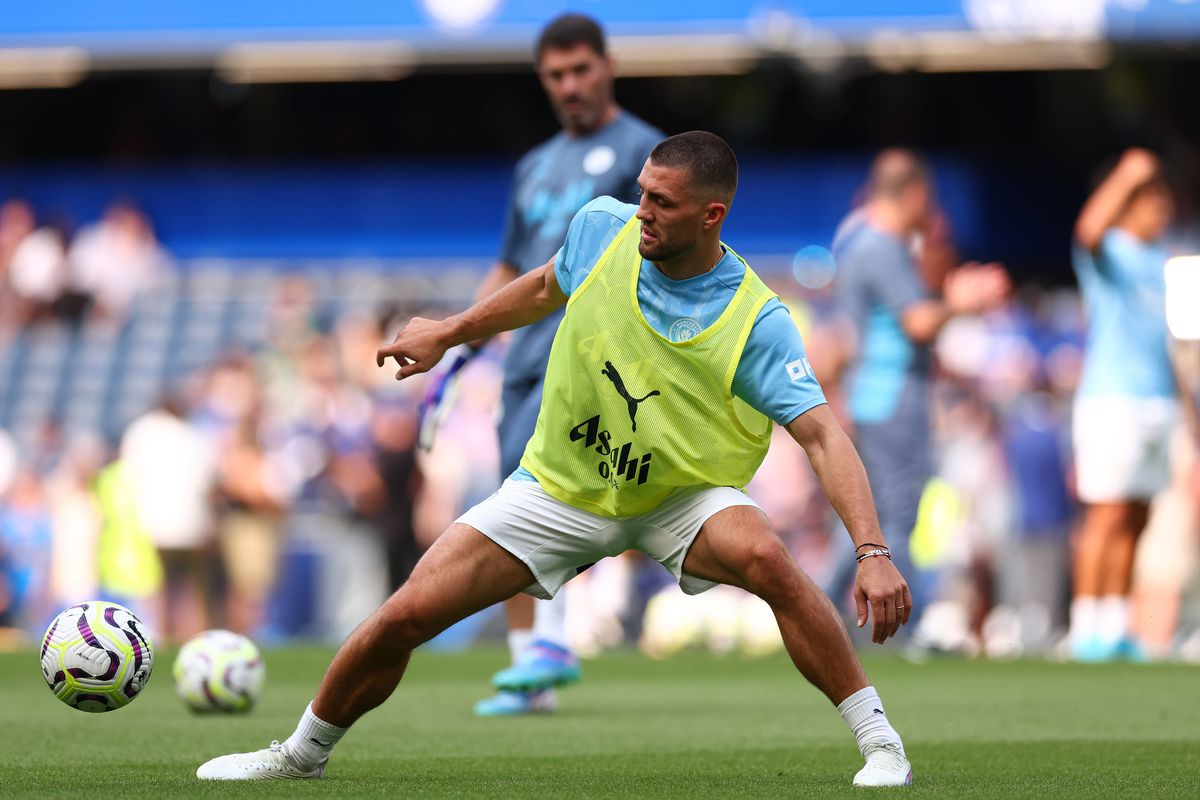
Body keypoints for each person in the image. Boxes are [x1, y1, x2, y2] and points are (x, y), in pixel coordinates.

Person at [197, 131, 914, 788]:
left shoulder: (755, 319)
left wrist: (872, 551)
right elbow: (544, 286)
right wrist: (450, 332)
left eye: (662, 203)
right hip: (560, 486)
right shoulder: (603, 227)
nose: (643, 212)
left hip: (682, 496)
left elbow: (823, 436)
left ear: (711, 216)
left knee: (769, 561)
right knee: (405, 614)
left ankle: (881, 743)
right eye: (642, 192)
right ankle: (300, 753)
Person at [422, 13, 663, 716]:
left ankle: (553, 641)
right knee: (513, 498)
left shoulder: (645, 151)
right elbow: (509, 265)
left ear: (608, 66)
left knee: (549, 496)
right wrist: (461, 345)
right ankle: (533, 673)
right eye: (556, 75)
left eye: (581, 69)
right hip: (526, 359)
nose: (570, 85)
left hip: (596, 359)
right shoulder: (533, 166)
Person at [827, 150, 1009, 625]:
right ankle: (894, 630)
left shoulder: (856, 240)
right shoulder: (883, 245)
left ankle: (819, 611)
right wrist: (963, 303)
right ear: (913, 194)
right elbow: (917, 323)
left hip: (871, 396)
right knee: (896, 517)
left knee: (863, 519)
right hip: (893, 397)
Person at [1068, 148, 1179, 662]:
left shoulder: (1162, 262)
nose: (1163, 210)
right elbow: (1087, 229)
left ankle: (1115, 625)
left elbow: (1170, 345)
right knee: (1107, 515)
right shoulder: (1110, 250)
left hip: (1159, 403)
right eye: (1153, 200)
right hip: (1112, 401)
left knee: (1138, 515)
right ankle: (1085, 626)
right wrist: (1128, 173)